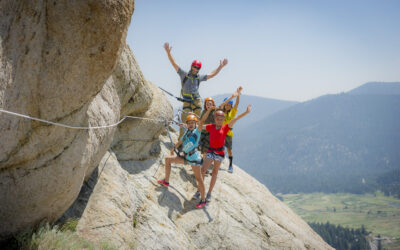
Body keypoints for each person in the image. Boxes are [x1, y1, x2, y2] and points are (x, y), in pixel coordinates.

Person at [163, 42, 228, 140]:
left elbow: (212, 74)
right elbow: (174, 64)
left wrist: (220, 67)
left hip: (197, 101)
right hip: (186, 100)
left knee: (197, 122)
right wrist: (168, 53)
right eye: (194, 67)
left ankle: (195, 141)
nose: (195, 69)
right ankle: (182, 141)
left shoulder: (199, 77)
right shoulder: (183, 74)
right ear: (191, 66)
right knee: (185, 121)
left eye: (197, 68)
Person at [157, 109, 214, 209]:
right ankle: (166, 181)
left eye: (193, 123)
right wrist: (173, 148)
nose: (191, 124)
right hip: (186, 157)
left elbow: (203, 120)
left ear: (195, 124)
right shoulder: (187, 132)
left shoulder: (197, 131)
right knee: (168, 159)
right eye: (189, 123)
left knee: (199, 180)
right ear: (187, 124)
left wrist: (209, 110)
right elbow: (180, 141)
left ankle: (203, 200)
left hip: (195, 159)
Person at [200, 102, 252, 202]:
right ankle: (200, 190)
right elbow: (200, 125)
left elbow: (236, 119)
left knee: (214, 172)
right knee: (203, 170)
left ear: (223, 120)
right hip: (211, 151)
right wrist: (186, 125)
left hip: (219, 153)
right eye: (217, 119)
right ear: (215, 119)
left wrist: (246, 112)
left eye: (221, 119)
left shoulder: (225, 127)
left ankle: (209, 193)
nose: (219, 121)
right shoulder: (211, 126)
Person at [223, 86, 243, 173]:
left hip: (228, 133)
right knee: (218, 148)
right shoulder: (221, 112)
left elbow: (237, 104)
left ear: (231, 106)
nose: (227, 106)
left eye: (229, 105)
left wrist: (238, 94)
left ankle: (230, 165)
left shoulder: (232, 112)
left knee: (229, 150)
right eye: (226, 104)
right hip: (220, 132)